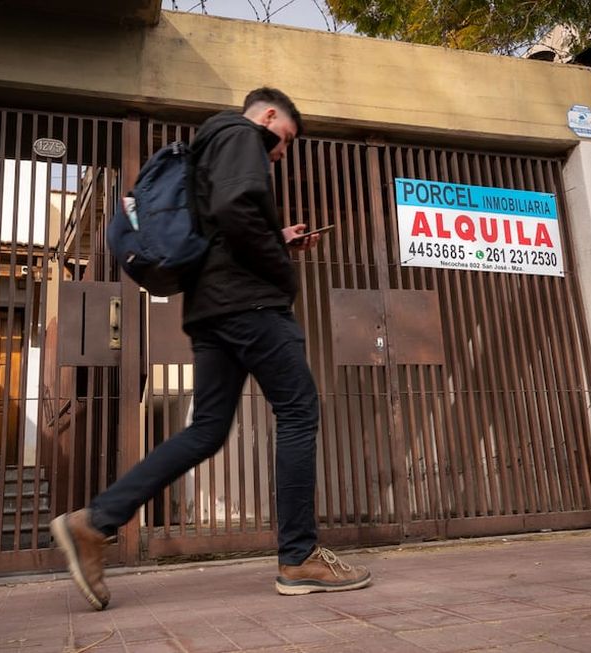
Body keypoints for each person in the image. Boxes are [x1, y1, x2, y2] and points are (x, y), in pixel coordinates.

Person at [50, 87, 372, 611]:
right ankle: (299, 557)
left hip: (209, 310)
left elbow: (221, 224)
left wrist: (276, 237)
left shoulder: (206, 147)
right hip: (253, 306)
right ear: (270, 116)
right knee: (298, 412)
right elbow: (236, 206)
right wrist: (282, 273)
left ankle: (95, 522)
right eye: (286, 138)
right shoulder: (243, 134)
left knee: (206, 430)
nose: (281, 151)